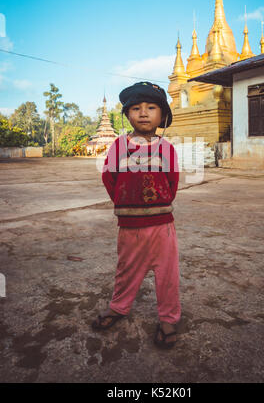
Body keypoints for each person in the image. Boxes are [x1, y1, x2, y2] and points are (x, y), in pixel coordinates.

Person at [92, 81, 181, 349]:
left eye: (151, 107)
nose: (143, 113)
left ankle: (168, 318)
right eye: (136, 108)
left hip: (162, 226)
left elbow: (172, 182)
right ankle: (119, 307)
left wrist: (158, 203)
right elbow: (110, 179)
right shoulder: (118, 147)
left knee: (167, 274)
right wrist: (125, 204)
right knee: (126, 270)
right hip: (129, 226)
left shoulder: (167, 149)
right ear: (127, 115)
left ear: (162, 116)